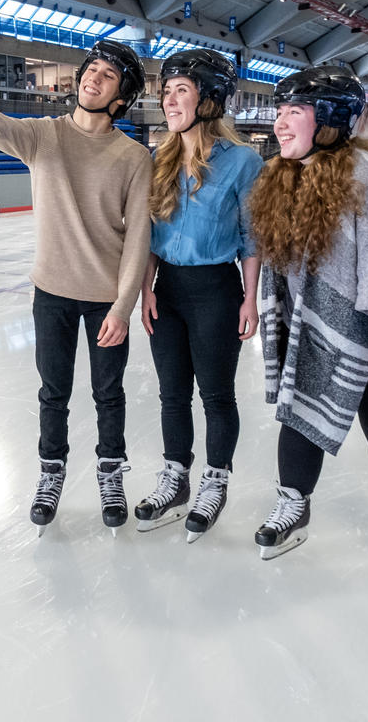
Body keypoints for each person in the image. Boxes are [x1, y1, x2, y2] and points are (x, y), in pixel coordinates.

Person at [0, 38, 152, 535]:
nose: (94, 78)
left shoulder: (133, 157)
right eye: (92, 69)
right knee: (53, 392)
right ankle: (51, 472)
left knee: (109, 394)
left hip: (106, 298)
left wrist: (124, 306)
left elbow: (138, 241)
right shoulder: (44, 136)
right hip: (53, 293)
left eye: (108, 76)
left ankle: (111, 471)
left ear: (121, 97)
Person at [247, 65, 368, 595]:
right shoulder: (282, 174)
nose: (280, 124)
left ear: (330, 118)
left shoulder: (365, 175)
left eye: (294, 112)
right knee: (301, 419)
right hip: (321, 332)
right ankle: (293, 505)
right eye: (279, 111)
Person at [133, 50, 263, 543]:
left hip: (216, 290)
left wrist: (249, 297)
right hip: (168, 290)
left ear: (209, 99)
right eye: (166, 91)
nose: (169, 99)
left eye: (180, 90)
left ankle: (215, 479)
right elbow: (146, 233)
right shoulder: (157, 159)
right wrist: (146, 287)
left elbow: (252, 236)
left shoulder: (245, 162)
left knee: (215, 395)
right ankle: (175, 477)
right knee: (171, 394)